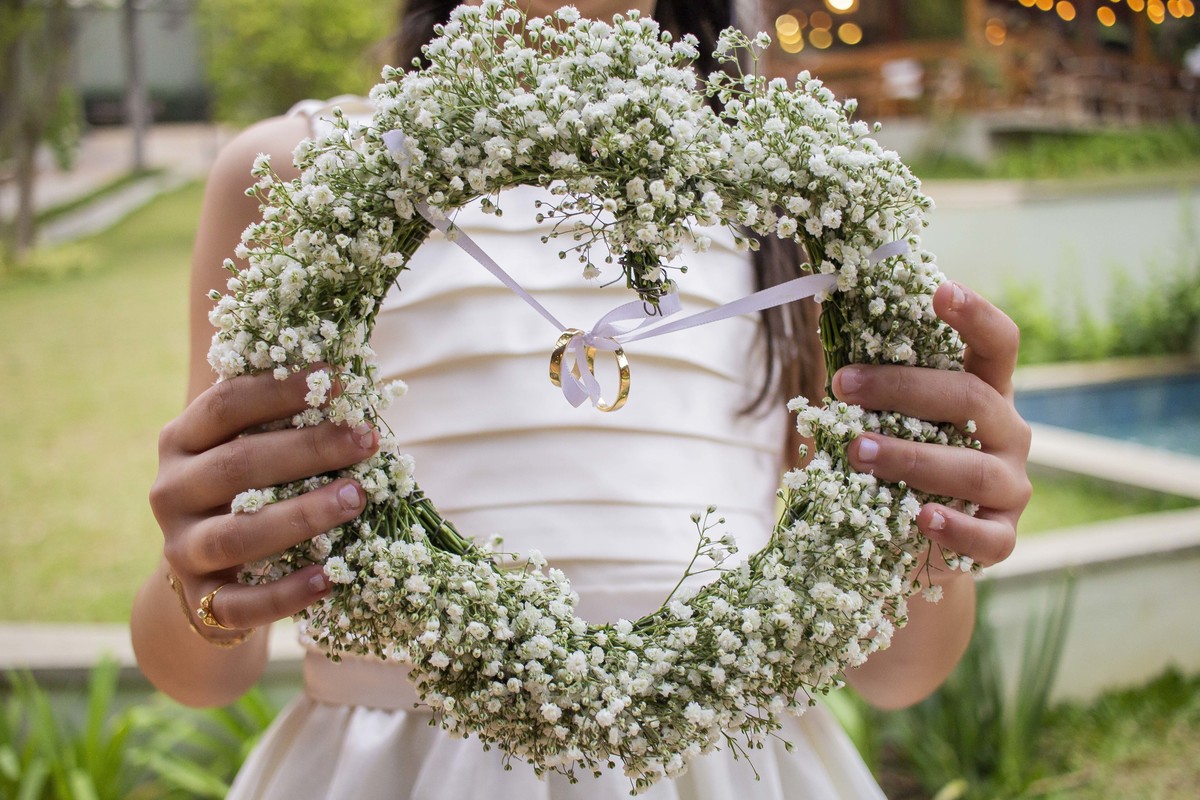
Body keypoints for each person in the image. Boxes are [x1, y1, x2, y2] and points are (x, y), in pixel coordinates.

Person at [132, 1, 1033, 796]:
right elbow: (202, 670)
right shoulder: (305, 173)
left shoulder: (798, 202)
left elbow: (900, 673)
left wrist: (936, 520)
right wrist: (204, 571)